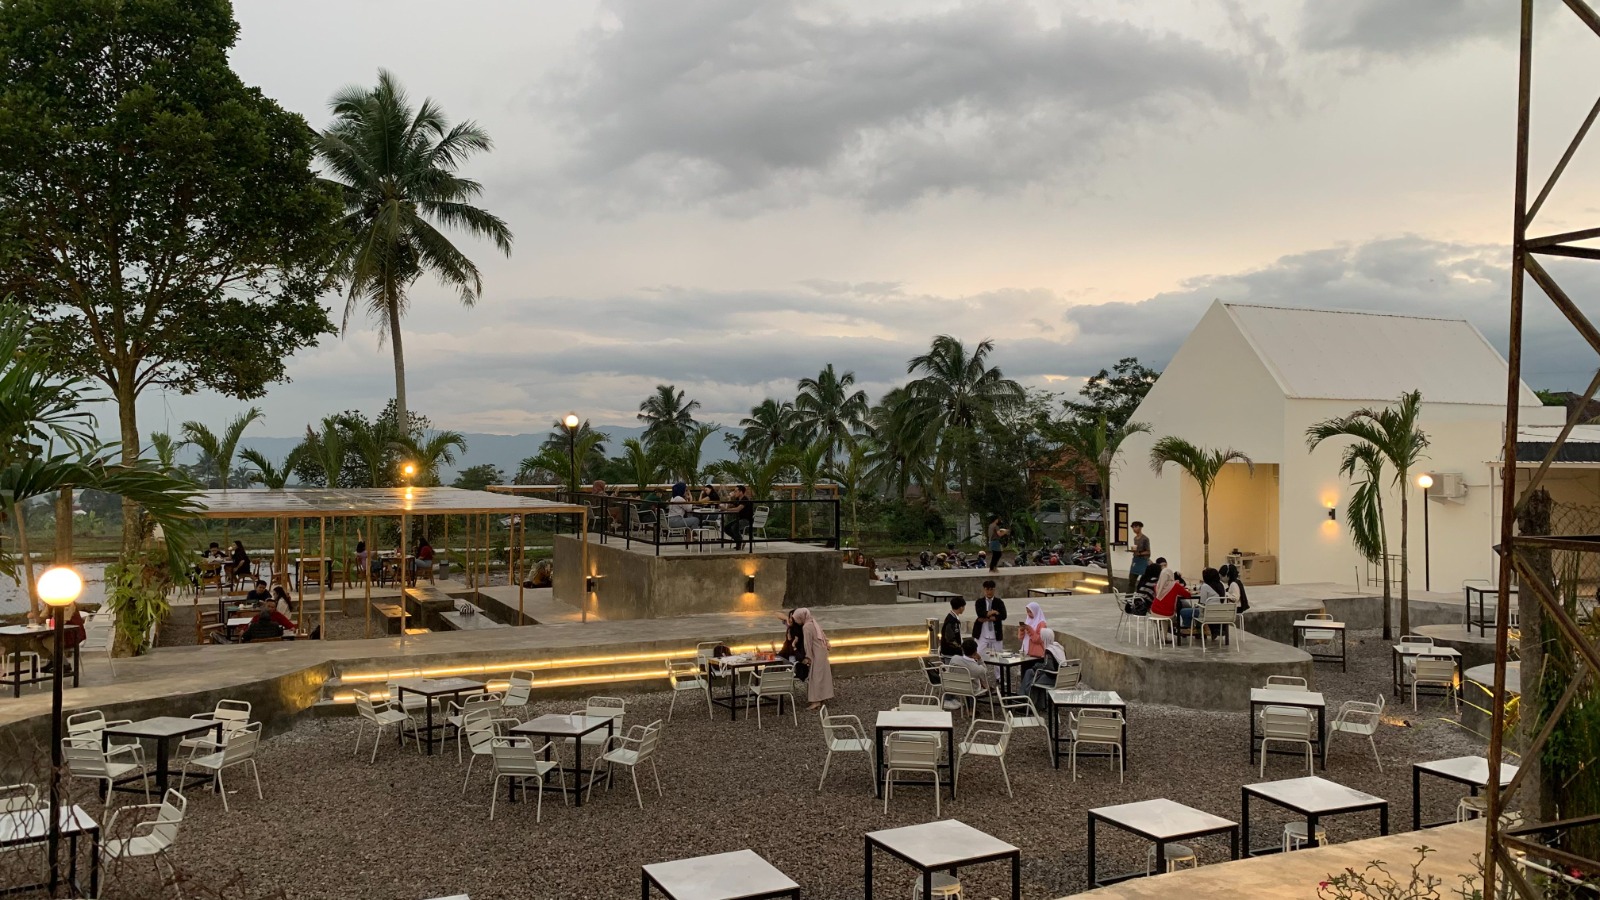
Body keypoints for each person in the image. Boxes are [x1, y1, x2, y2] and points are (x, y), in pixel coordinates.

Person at [792, 608, 832, 709]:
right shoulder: (813, 622)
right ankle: (822, 697)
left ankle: (816, 701)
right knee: (822, 675)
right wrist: (827, 642)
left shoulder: (806, 627)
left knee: (815, 677)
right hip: (822, 652)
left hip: (816, 653)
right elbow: (822, 634)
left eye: (796, 618)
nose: (796, 621)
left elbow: (807, 644)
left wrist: (808, 657)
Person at [1021, 626, 1068, 707]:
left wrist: (1036, 666)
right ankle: (1039, 704)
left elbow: (1048, 667)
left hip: (1054, 678)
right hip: (1062, 677)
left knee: (1032, 681)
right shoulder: (1059, 647)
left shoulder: (1049, 650)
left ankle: (1025, 703)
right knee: (1030, 673)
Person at [39, 603, 86, 674]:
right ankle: (55, 661)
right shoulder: (49, 602)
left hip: (72, 634)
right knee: (34, 643)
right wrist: (36, 616)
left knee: (48, 641)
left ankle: (65, 664)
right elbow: (42, 617)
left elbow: (62, 621)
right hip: (57, 633)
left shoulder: (68, 603)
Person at [972, 580, 1007, 661]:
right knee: (978, 654)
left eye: (991, 589)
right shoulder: (979, 602)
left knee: (998, 657)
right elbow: (980, 613)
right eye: (987, 589)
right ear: (984, 590)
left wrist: (990, 617)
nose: (989, 592)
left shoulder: (999, 602)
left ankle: (998, 674)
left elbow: (1003, 615)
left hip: (995, 634)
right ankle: (979, 671)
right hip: (982, 634)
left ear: (994, 590)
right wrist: (993, 612)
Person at [722, 485, 756, 550]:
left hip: (747, 520)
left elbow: (738, 509)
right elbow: (730, 506)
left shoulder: (745, 499)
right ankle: (740, 541)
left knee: (735, 527)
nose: (734, 492)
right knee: (726, 528)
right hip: (740, 519)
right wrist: (730, 499)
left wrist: (726, 510)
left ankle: (739, 543)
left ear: (741, 492)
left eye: (736, 491)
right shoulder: (738, 499)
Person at [1128, 521, 1151, 588]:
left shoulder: (1145, 539)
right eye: (1133, 527)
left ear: (1140, 527)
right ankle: (1129, 597)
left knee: (1144, 579)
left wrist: (1140, 553)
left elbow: (1148, 552)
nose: (1134, 529)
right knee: (1131, 580)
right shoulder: (1135, 538)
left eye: (1136, 527)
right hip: (1135, 560)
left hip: (1143, 560)